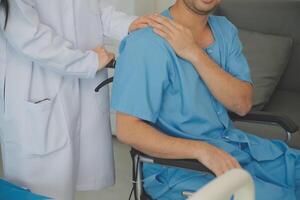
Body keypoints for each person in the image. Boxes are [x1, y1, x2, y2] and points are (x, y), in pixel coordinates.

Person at [111, 0, 300, 199]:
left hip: (234, 148)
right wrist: (202, 150)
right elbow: (128, 129)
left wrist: (193, 52)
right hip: (178, 170)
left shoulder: (225, 30)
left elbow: (242, 104)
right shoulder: (146, 43)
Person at [0, 0, 156, 199]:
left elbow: (94, 10)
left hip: (78, 81)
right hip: (36, 86)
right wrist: (85, 61)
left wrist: (127, 24)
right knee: (40, 191)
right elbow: (26, 34)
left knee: (67, 177)